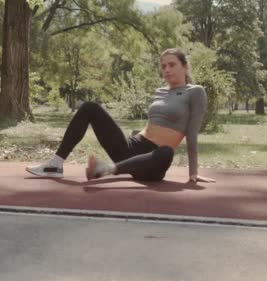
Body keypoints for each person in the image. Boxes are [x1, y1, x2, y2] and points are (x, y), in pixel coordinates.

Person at [26, 48, 216, 183]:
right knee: (90, 107)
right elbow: (152, 124)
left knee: (166, 152)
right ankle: (55, 164)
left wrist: (193, 172)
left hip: (153, 162)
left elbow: (192, 134)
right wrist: (134, 138)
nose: (166, 69)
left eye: (172, 65)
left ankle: (107, 169)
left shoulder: (196, 92)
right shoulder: (160, 91)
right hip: (132, 147)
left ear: (185, 66)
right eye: (163, 66)